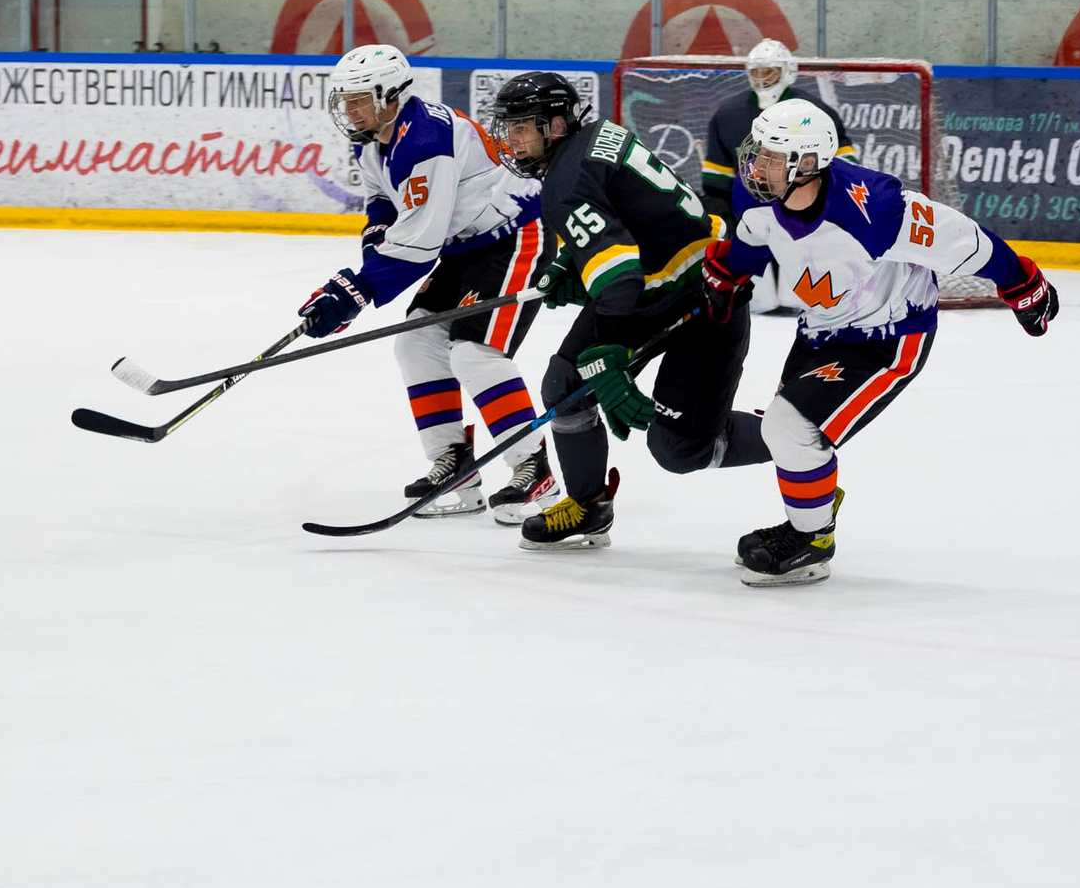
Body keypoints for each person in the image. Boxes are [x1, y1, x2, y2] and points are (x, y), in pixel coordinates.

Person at [696, 100, 1058, 585]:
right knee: (792, 436)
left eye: (771, 157)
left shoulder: (876, 210)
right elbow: (754, 240)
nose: (755, 166)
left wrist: (1022, 284)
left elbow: (964, 240)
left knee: (791, 430)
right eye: (756, 152)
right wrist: (728, 273)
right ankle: (808, 522)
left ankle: (812, 539)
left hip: (888, 337)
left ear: (807, 165)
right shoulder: (758, 194)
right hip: (820, 328)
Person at [487, 71, 752, 552]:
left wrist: (607, 352)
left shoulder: (563, 181)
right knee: (565, 384)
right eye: (510, 128)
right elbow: (630, 214)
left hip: (705, 295)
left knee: (681, 448)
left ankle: (798, 437)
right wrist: (572, 262)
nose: (513, 140)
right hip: (662, 282)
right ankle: (588, 508)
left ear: (558, 124)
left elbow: (618, 277)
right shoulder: (595, 138)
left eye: (523, 127)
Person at [296, 44, 552, 521]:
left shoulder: (426, 139)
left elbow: (418, 246)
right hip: (463, 246)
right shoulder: (373, 134)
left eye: (358, 99)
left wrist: (354, 290)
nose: (348, 110)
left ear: (391, 94)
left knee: (474, 353)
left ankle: (533, 469)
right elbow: (382, 200)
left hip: (515, 237)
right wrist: (372, 248)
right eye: (344, 99)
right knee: (416, 343)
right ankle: (454, 466)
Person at [699, 40, 853, 311]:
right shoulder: (728, 115)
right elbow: (716, 185)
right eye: (757, 71)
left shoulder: (815, 113)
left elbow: (843, 169)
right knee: (759, 295)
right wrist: (729, 225)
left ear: (788, 71)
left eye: (769, 71)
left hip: (804, 207)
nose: (762, 79)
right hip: (753, 210)